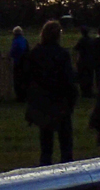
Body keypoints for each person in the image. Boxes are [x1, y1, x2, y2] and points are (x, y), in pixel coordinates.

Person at [24, 20, 78, 165]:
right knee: (66, 142)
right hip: (60, 101)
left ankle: (45, 170)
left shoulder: (35, 53)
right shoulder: (62, 54)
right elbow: (68, 79)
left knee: (46, 143)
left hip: (43, 101)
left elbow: (29, 79)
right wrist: (72, 99)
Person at [75, 27, 98, 98]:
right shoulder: (91, 40)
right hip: (90, 61)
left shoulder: (81, 40)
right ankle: (89, 91)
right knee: (90, 77)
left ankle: (84, 92)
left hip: (82, 61)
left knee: (82, 77)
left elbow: (76, 48)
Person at [10, 25, 30, 101]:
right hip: (25, 63)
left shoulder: (15, 41)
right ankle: (25, 95)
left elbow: (12, 52)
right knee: (24, 79)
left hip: (17, 62)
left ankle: (19, 96)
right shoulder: (24, 40)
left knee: (17, 80)